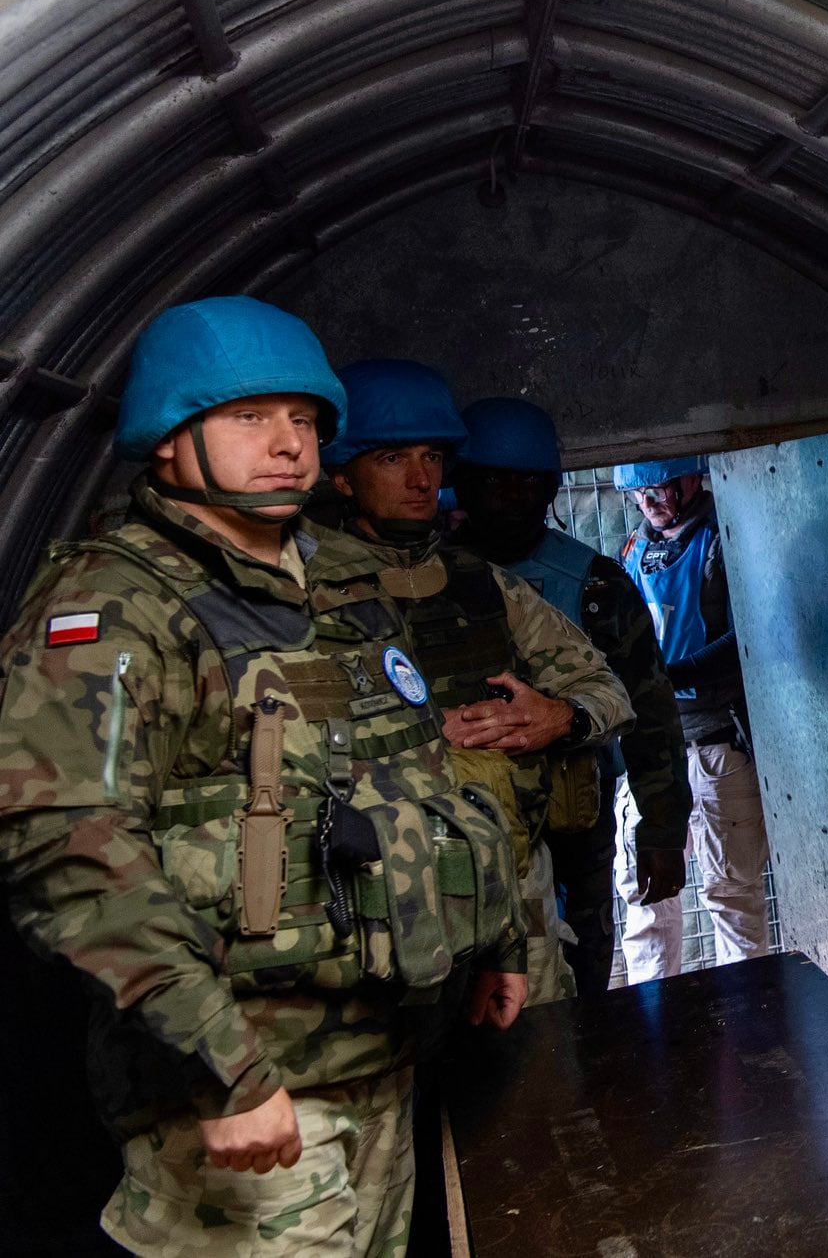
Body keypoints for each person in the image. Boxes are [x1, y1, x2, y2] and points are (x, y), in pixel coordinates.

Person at [0, 297, 526, 1256]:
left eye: (303, 420)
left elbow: (425, 781)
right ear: (167, 440)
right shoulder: (111, 609)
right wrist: (230, 1070)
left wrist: (499, 939)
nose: (286, 444)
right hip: (244, 1098)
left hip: (383, 1065)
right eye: (248, 417)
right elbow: (68, 853)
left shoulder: (340, 583)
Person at [324, 359, 633, 1005]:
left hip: (513, 881)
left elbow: (607, 690)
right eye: (390, 458)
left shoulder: (483, 583)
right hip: (376, 898)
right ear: (341, 475)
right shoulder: (295, 594)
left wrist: (562, 717)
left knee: (538, 1074)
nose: (419, 480)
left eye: (432, 457)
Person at [448, 396, 691, 996]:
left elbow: (651, 714)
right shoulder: (425, 580)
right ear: (465, 485)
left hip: (574, 819)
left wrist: (662, 831)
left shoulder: (596, 584)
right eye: (494, 482)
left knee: (581, 977)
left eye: (527, 484)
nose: (511, 498)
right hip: (457, 824)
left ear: (552, 489)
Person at [614, 454, 768, 966]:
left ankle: (750, 1028)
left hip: (716, 746)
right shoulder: (634, 548)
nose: (647, 501)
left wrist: (671, 677)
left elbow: (745, 635)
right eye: (639, 493)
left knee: (731, 895)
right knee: (645, 900)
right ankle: (654, 1026)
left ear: (691, 479)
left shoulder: (724, 540)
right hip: (650, 749)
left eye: (657, 488)